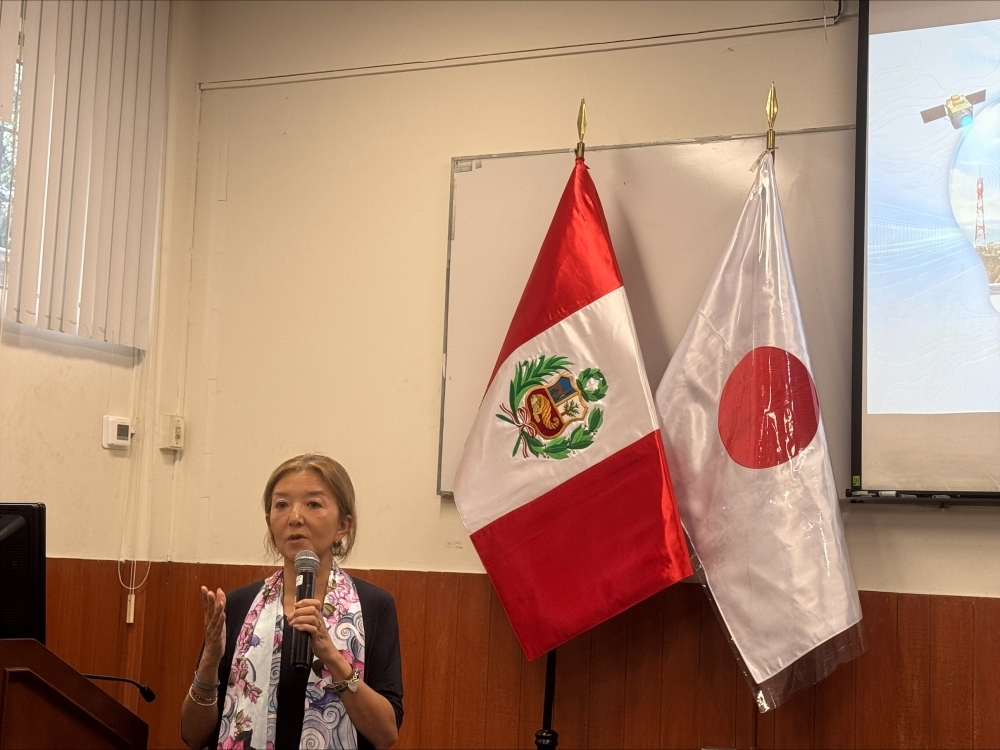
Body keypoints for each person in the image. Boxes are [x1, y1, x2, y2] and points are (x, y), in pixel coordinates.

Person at [180, 454, 403, 750]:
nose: (294, 517)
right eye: (281, 504)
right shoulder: (240, 605)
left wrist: (334, 659)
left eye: (313, 504)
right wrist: (209, 661)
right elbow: (193, 736)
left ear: (343, 525)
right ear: (270, 522)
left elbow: (386, 733)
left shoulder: (374, 605)